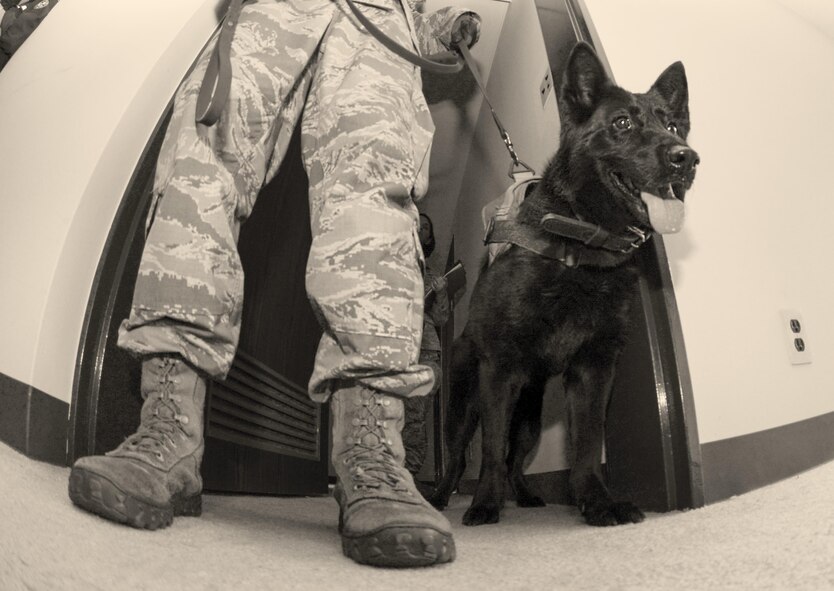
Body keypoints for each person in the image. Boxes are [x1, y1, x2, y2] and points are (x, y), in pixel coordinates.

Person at [67, 0, 480, 569]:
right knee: (201, 155)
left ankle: (370, 452)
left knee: (372, 199)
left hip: (380, 16)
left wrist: (450, 21)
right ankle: (167, 426)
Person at [403, 213, 450, 493]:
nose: (421, 228)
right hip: (396, 348)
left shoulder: (433, 277)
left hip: (426, 353)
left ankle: (409, 474)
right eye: (417, 223)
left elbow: (442, 319)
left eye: (426, 227)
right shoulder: (393, 265)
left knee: (415, 416)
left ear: (429, 237)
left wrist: (441, 293)